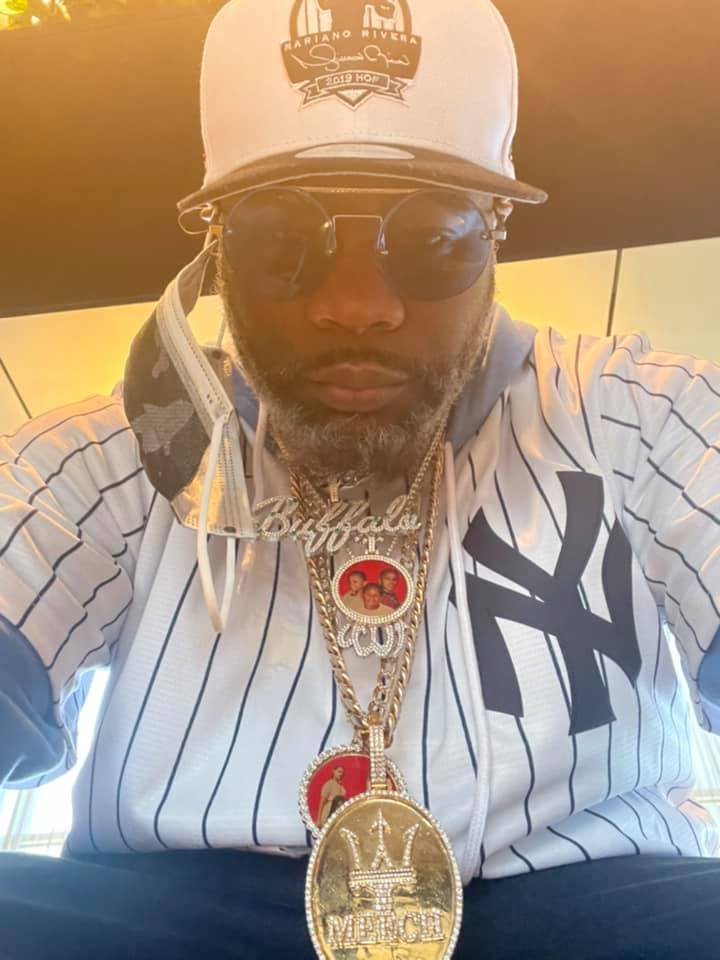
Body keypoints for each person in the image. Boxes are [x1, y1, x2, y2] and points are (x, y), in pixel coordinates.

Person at [1, 0, 719, 957]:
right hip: (175, 913)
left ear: (495, 235)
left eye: (431, 239)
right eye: (279, 242)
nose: (356, 306)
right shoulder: (115, 453)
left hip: (600, 900)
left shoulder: (636, 412)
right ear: (214, 248)